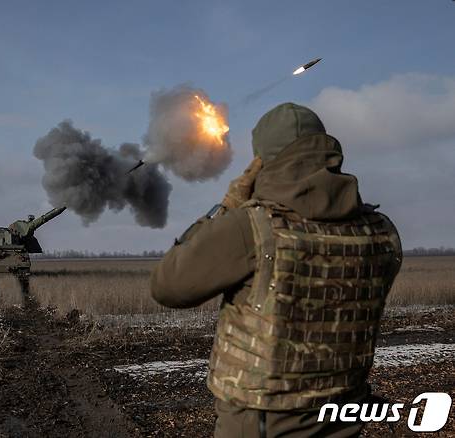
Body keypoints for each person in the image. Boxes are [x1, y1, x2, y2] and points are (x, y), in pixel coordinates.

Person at [150, 103, 403, 438]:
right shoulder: (380, 231)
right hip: (343, 414)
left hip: (263, 422)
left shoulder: (251, 227)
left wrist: (226, 207)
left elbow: (168, 286)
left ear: (261, 162)